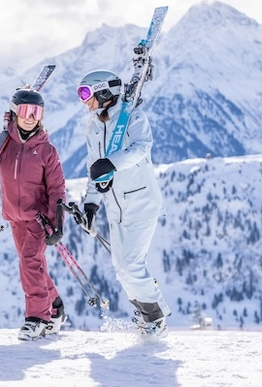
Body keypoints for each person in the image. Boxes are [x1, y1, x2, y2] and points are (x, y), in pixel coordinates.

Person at [77, 69, 171, 341]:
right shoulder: (93, 127)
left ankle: (156, 320)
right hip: (115, 208)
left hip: (141, 202)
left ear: (104, 92)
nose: (84, 101)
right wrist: (91, 204)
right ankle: (147, 315)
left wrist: (112, 163)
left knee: (131, 265)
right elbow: (94, 169)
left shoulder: (132, 117)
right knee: (122, 270)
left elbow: (142, 148)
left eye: (86, 93)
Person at [0, 88, 67, 341]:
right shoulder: (1, 142)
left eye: (37, 112)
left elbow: (57, 189)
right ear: (14, 112)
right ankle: (55, 307)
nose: (31, 117)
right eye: (25, 111)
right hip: (14, 218)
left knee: (29, 262)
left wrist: (56, 222)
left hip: (39, 218)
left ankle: (37, 319)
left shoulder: (47, 150)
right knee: (33, 266)